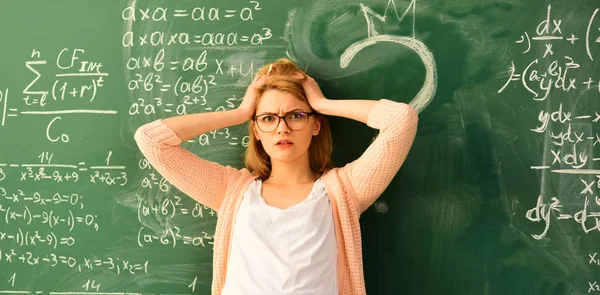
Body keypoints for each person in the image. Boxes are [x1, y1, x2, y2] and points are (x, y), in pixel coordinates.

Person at [134, 58, 418, 295]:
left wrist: (322, 103)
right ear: (256, 130)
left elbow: (401, 121)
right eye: (268, 118)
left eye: (296, 116)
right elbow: (151, 140)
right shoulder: (232, 191)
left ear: (316, 124)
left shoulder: (343, 191)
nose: (282, 128)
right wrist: (241, 112)